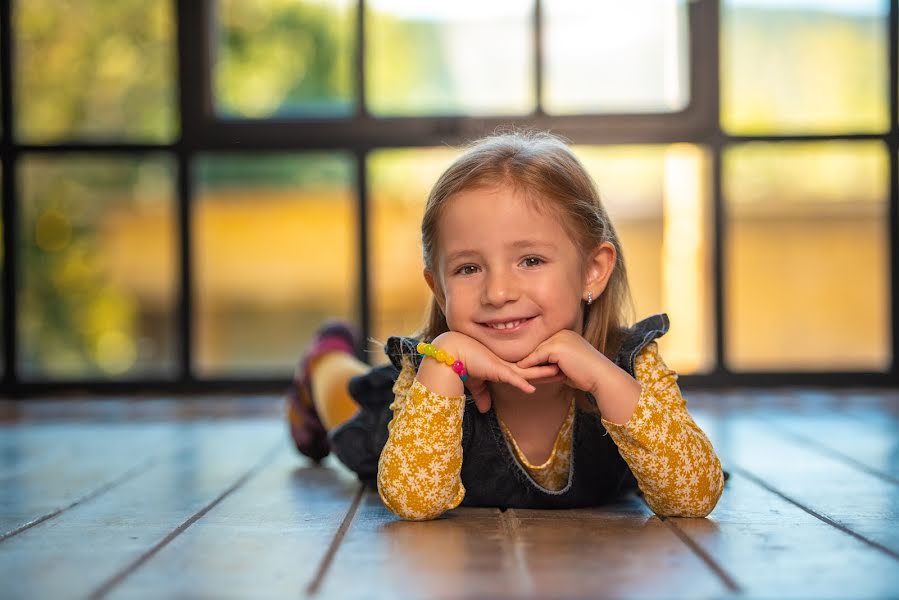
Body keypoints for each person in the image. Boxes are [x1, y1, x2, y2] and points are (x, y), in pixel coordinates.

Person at [286, 130, 725, 521]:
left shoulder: (631, 363)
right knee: (348, 402)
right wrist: (444, 362)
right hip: (411, 415)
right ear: (438, 288)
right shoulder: (429, 369)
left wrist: (604, 378)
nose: (498, 293)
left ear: (593, 270)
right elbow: (414, 501)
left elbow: (694, 496)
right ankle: (324, 358)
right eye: (468, 268)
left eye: (530, 260)